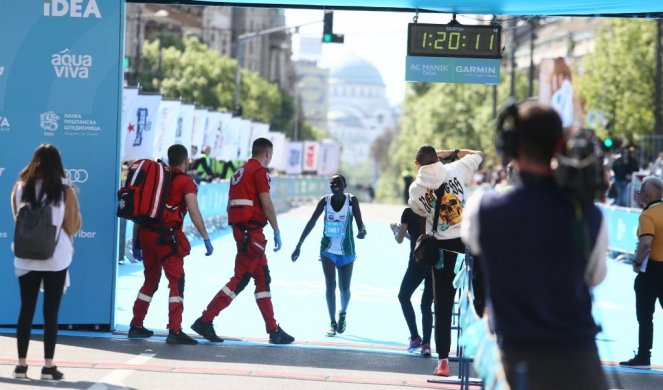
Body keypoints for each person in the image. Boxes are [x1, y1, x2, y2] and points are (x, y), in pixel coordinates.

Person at [461, 103, 608, 389]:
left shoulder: (482, 209)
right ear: (560, 145)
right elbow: (596, 276)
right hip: (579, 361)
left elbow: (475, 244)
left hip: (517, 363)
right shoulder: (589, 215)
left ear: (509, 146)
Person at [192, 138, 294, 344]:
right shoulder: (259, 173)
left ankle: (273, 330)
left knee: (263, 279)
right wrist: (276, 229)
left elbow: (230, 205)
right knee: (240, 279)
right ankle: (205, 319)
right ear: (267, 154)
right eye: (271, 155)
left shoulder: (239, 172)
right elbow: (266, 204)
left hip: (244, 231)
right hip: (252, 232)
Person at [408, 145, 483, 376]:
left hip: (441, 248)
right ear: (437, 158)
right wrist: (451, 151)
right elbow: (478, 155)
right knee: (478, 295)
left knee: (442, 304)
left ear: (418, 165)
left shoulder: (416, 188)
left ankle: (442, 362)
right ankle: (483, 352)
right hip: (467, 242)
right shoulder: (456, 169)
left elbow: (417, 210)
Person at [129, 144, 214, 345]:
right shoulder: (186, 182)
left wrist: (136, 241)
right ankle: (174, 329)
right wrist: (205, 238)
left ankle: (136, 324)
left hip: (147, 234)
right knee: (176, 282)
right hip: (167, 239)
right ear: (186, 161)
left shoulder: (156, 180)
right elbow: (194, 211)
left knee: (150, 280)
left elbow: (140, 211)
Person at [10, 144, 81, 380]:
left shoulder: (21, 187)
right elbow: (72, 224)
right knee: (51, 312)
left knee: (25, 310)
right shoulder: (64, 189)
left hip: (25, 256)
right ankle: (48, 367)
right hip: (55, 257)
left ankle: (21, 365)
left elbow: (17, 219)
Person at [291, 174, 367, 336]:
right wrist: (299, 245)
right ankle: (332, 322)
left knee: (344, 289)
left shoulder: (351, 201)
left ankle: (343, 313)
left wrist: (362, 231)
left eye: (338, 182)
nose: (335, 185)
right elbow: (311, 222)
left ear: (345, 185)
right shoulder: (325, 201)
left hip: (346, 251)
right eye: (332, 183)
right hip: (327, 251)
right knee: (330, 285)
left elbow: (361, 225)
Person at [619, 175, 663, 369]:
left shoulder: (647, 215)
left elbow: (646, 242)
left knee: (645, 316)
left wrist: (636, 262)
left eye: (641, 191)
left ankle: (644, 356)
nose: (639, 195)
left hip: (652, 270)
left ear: (650, 194)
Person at [390, 207, 433, 356]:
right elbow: (420, 236)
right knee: (426, 304)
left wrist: (395, 230)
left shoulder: (409, 212)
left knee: (403, 296)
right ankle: (426, 344)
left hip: (418, 261)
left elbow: (399, 239)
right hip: (435, 261)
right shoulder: (435, 208)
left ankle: (415, 337)